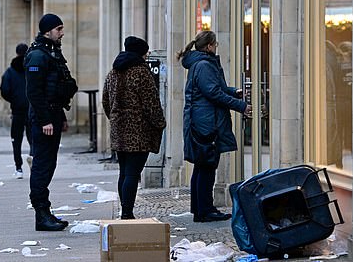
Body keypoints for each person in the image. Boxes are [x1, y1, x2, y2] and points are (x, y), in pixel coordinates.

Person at [177, 31, 251, 222]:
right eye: (215, 44)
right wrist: (241, 106)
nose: (216, 46)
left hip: (203, 121)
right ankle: (205, 210)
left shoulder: (200, 64)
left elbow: (215, 89)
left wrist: (235, 91)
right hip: (206, 124)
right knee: (207, 167)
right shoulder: (204, 65)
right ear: (209, 46)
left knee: (202, 167)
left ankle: (200, 209)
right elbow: (213, 93)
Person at [102, 36, 166, 219]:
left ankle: (125, 209)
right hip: (138, 131)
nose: (147, 57)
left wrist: (115, 119)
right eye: (146, 53)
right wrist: (160, 123)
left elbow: (106, 101)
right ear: (140, 53)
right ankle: (127, 213)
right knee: (132, 173)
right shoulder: (141, 72)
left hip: (119, 131)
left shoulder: (113, 73)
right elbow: (151, 103)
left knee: (124, 171)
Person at [25, 13, 78, 231]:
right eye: (58, 29)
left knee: (48, 165)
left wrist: (60, 117)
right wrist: (46, 120)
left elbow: (55, 89)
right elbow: (34, 92)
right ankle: (41, 214)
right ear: (47, 31)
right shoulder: (38, 55)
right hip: (43, 118)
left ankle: (45, 211)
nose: (62, 33)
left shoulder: (51, 52)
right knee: (42, 166)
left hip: (53, 115)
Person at [0, 42, 32, 179]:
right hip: (32, 109)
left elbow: (4, 90)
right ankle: (32, 158)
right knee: (33, 138)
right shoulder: (32, 68)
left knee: (16, 140)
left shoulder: (10, 71)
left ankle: (18, 168)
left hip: (17, 110)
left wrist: (13, 100)